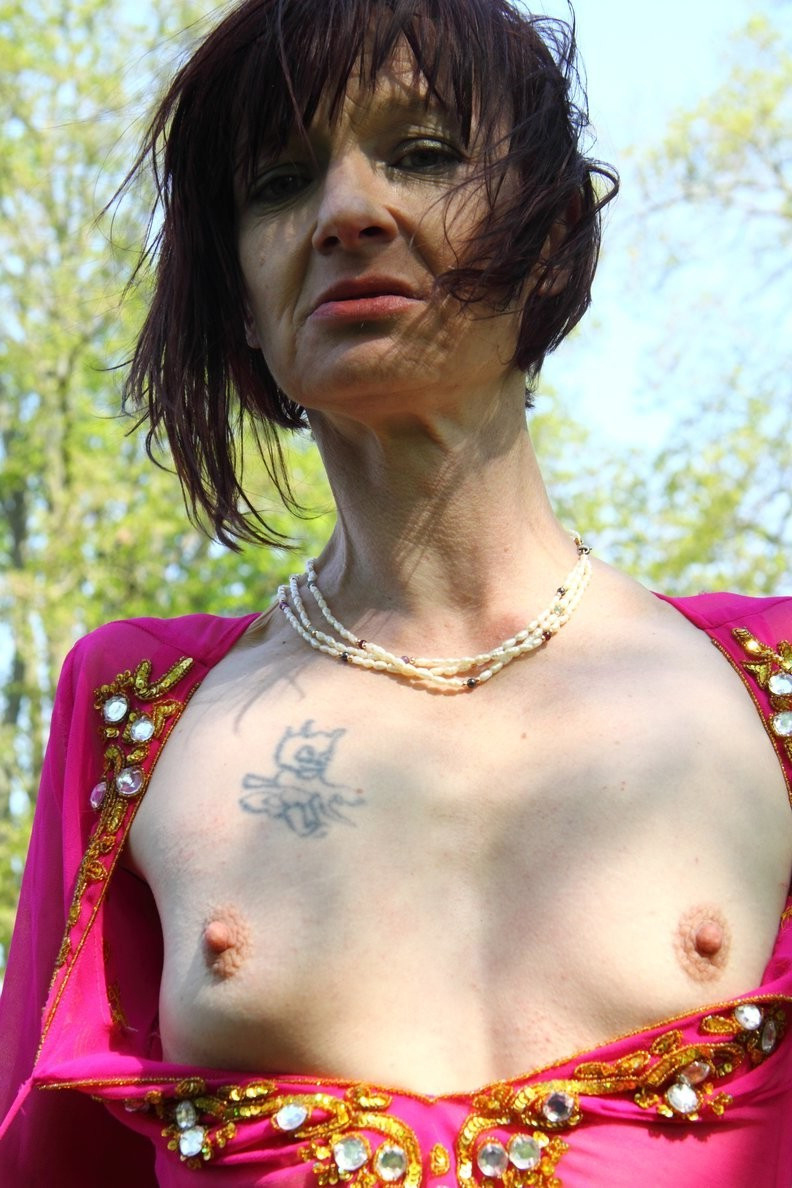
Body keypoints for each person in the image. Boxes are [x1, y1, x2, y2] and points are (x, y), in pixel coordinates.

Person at [1, 0, 791, 1183]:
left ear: (553, 238)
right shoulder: (138, 716)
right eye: (278, 183)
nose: (347, 213)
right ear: (240, 297)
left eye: (422, 153)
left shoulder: (768, 691)